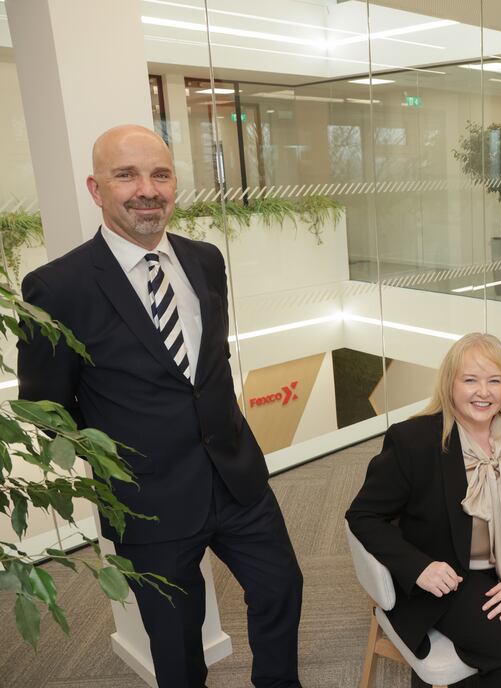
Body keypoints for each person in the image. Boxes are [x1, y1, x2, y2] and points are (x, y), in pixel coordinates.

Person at [17, 124, 304, 687]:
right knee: (176, 641)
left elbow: (210, 364)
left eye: (160, 174)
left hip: (236, 477)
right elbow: (46, 411)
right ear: (96, 189)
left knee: (281, 587)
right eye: (126, 175)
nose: (147, 189)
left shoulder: (206, 259)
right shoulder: (56, 288)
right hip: (147, 501)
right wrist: (123, 452)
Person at [345, 333, 501, 688]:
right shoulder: (413, 441)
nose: (483, 392)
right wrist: (420, 567)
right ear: (449, 384)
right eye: (470, 380)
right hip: (457, 576)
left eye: (495, 381)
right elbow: (363, 516)